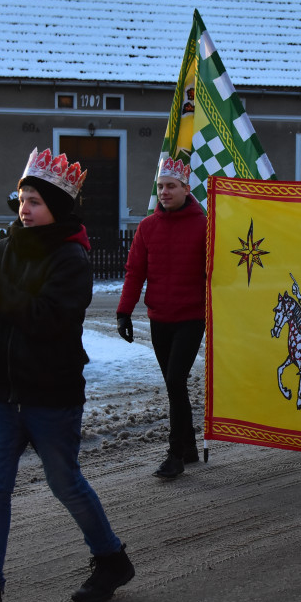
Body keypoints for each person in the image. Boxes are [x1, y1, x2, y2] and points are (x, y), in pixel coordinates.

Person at [0, 147, 134, 602]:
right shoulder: (8, 246)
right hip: (1, 393)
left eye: (36, 200)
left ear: (59, 207)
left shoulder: (73, 258)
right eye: (22, 198)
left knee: (65, 482)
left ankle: (111, 559)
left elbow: (45, 320)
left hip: (51, 395)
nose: (25, 208)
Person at [117, 156, 207, 480]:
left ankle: (175, 454)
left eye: (171, 186)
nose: (165, 192)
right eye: (161, 186)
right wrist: (124, 312)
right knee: (174, 386)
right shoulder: (147, 227)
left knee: (174, 380)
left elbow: (217, 272)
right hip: (159, 318)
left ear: (186, 188)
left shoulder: (205, 225)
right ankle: (191, 446)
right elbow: (134, 272)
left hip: (191, 317)